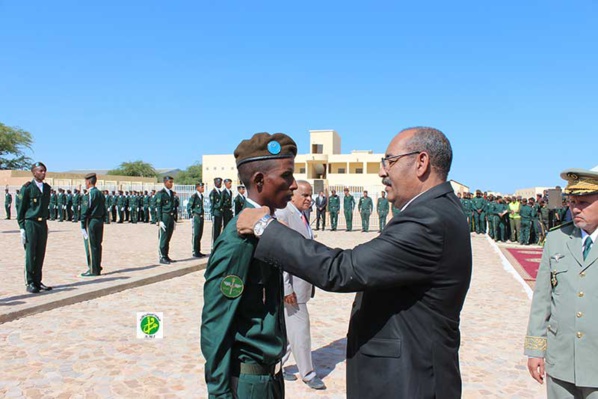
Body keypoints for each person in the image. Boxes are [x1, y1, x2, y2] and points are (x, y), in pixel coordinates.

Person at [237, 127, 472, 398]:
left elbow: (342, 270)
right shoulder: (438, 210)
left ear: (421, 162)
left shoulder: (428, 220)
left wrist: (265, 228)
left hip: (408, 380)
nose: (383, 172)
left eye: (390, 161)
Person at [201, 132, 298, 399]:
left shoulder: (264, 230)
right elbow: (216, 323)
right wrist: (220, 394)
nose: (294, 185)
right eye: (287, 176)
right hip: (249, 383)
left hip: (270, 378)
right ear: (259, 180)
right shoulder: (239, 241)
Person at [525, 168, 598, 398]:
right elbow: (542, 300)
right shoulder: (557, 239)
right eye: (572, 201)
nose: (575, 208)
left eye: (583, 202)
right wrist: (535, 350)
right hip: (561, 360)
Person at [275, 180, 326, 390]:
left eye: (310, 195)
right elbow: (282, 256)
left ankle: (275, 368)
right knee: (301, 330)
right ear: (292, 194)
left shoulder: (301, 213)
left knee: (291, 332)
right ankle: (308, 374)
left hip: (301, 285)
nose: (309, 199)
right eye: (305, 195)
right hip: (293, 288)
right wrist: (287, 288)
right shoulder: (284, 214)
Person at [18, 162, 53, 293]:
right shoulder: (27, 188)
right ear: (34, 172)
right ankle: (30, 281)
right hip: (30, 223)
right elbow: (20, 208)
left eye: (44, 171)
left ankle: (38, 281)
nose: (43, 173)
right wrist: (22, 227)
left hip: (42, 223)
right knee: (30, 253)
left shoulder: (47, 188)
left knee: (40, 253)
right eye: (40, 171)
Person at [80, 173, 106, 277]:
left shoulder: (89, 194)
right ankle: (97, 267)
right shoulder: (100, 193)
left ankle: (92, 269)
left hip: (91, 221)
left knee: (91, 246)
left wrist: (82, 225)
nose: (85, 184)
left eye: (86, 182)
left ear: (89, 182)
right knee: (97, 245)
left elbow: (85, 210)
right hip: (99, 221)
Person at [156, 176, 177, 264]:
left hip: (171, 217)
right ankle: (162, 256)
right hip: (164, 216)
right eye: (169, 182)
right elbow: (159, 207)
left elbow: (174, 206)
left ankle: (166, 255)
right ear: (165, 182)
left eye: (172, 182)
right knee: (163, 237)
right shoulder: (161, 193)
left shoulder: (171, 193)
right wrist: (160, 220)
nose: (171, 184)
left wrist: (175, 219)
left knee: (168, 237)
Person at [187, 182, 206, 258]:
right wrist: (191, 216)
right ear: (197, 188)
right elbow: (189, 206)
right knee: (196, 234)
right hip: (196, 216)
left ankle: (198, 250)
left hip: (201, 216)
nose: (203, 188)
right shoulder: (194, 196)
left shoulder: (201, 196)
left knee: (200, 234)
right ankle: (195, 251)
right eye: (201, 187)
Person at [209, 177, 224, 244]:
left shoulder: (220, 192)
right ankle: (214, 244)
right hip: (215, 213)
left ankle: (217, 243)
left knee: (219, 229)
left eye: (220, 182)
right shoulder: (213, 192)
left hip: (220, 213)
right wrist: (212, 214)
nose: (220, 184)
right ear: (215, 183)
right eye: (218, 182)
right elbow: (212, 204)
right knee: (215, 230)